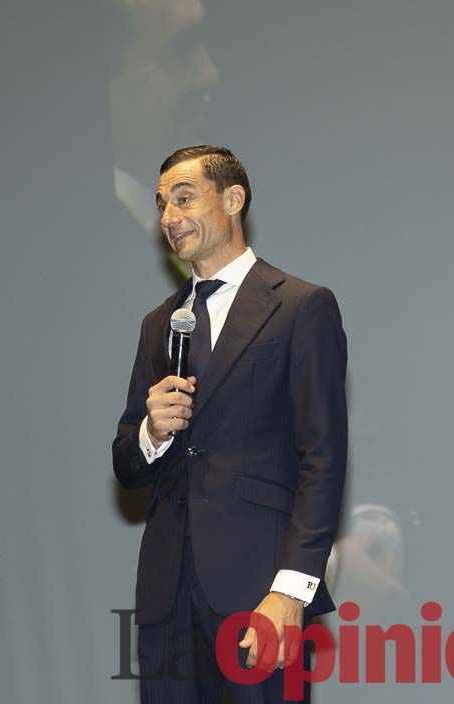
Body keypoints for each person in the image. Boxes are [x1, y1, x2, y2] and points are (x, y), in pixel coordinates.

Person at [112, 146, 348, 702]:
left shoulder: (299, 306)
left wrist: (290, 591)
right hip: (168, 597)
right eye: (161, 204)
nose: (168, 217)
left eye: (184, 197)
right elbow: (126, 464)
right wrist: (153, 433)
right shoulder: (159, 325)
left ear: (234, 199)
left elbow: (324, 458)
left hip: (258, 589)